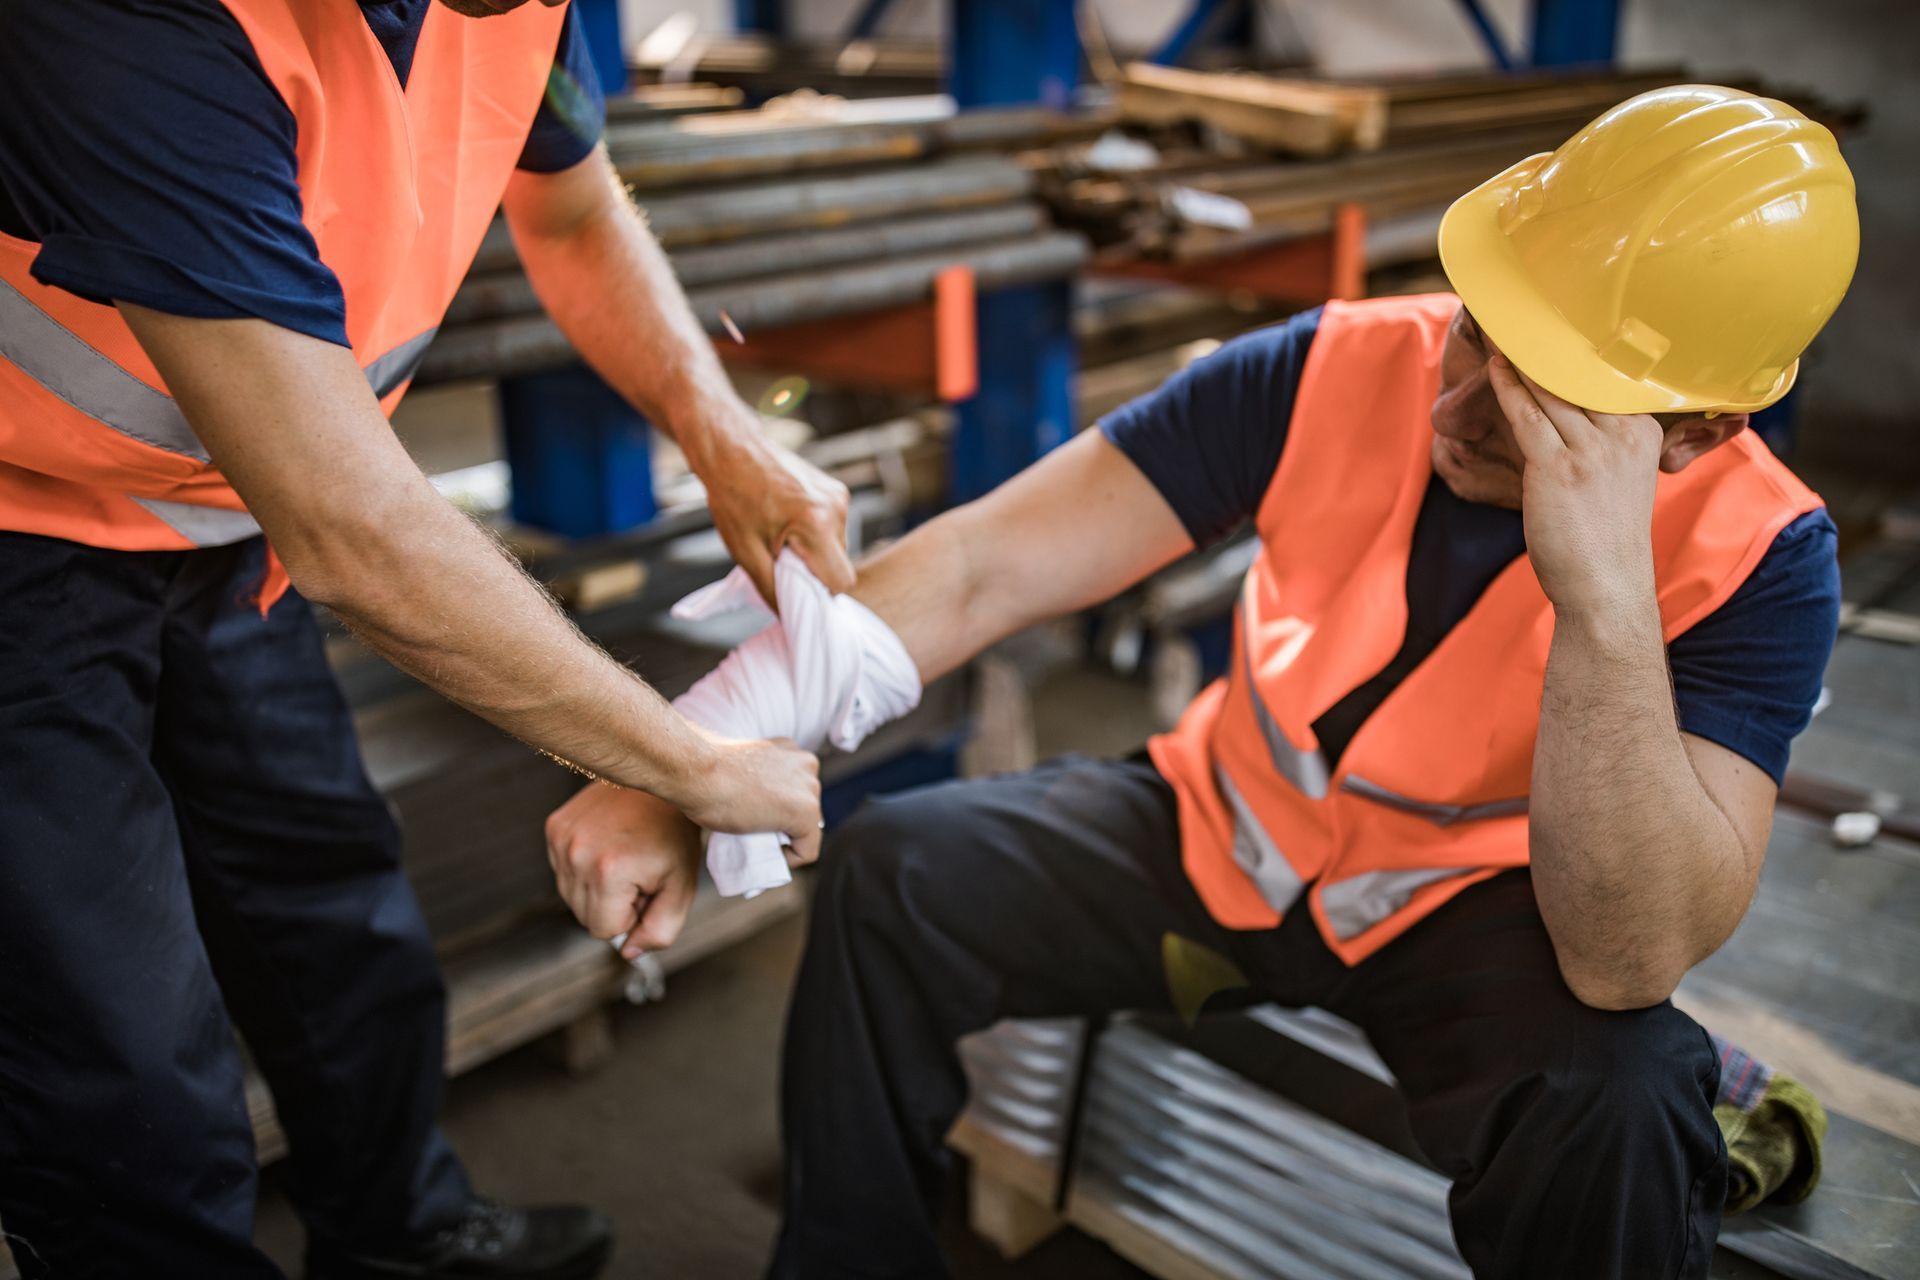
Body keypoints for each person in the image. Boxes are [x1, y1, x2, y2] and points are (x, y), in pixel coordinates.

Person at [544, 86, 1859, 1278]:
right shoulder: (1332, 367)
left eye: (1547, 400)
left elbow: (1627, 959)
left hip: (1469, 924)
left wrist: (1605, 598)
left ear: (1693, 429)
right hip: (1224, 841)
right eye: (1481, 333)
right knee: (891, 876)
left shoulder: (1764, 555)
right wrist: (686, 759)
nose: (1460, 408)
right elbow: (983, 566)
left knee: (1622, 1095)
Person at [0, 1, 850, 1276]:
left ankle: (403, 1236)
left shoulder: (520, 9)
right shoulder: (127, 21)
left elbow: (574, 213)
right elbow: (354, 526)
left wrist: (721, 433)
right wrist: (693, 763)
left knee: (328, 896)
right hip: (22, 520)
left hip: (219, 513)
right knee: (119, 1061)